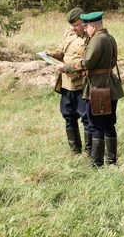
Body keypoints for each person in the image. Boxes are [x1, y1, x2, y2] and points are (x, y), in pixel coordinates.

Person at [56, 11, 124, 167]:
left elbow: (86, 63)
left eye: (86, 26)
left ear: (93, 25)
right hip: (109, 85)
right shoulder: (110, 38)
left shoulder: (97, 40)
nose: (85, 29)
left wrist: (66, 67)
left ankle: (97, 162)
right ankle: (111, 161)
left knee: (96, 124)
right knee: (108, 124)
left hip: (98, 87)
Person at [46, 8, 91, 155]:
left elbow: (89, 61)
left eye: (76, 25)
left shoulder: (90, 37)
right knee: (68, 116)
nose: (73, 28)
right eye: (71, 25)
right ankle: (75, 150)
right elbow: (62, 52)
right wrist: (53, 54)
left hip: (81, 84)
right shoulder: (68, 34)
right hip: (66, 84)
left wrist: (68, 67)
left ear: (84, 23)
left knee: (87, 118)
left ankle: (90, 151)